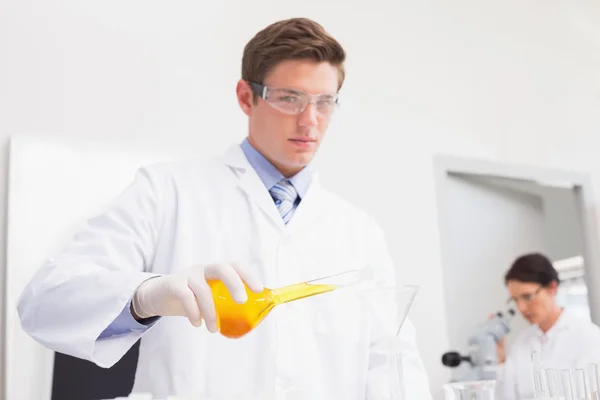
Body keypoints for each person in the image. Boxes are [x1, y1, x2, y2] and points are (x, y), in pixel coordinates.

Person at [17, 17, 432, 399]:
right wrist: (146, 297)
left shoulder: (359, 231)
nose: (311, 121)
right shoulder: (166, 191)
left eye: (325, 101)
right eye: (290, 98)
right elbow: (45, 300)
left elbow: (393, 365)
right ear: (245, 97)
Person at [498, 252, 600, 400]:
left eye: (527, 297)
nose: (521, 308)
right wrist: (500, 359)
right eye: (515, 300)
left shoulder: (589, 337)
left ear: (552, 288)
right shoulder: (520, 345)